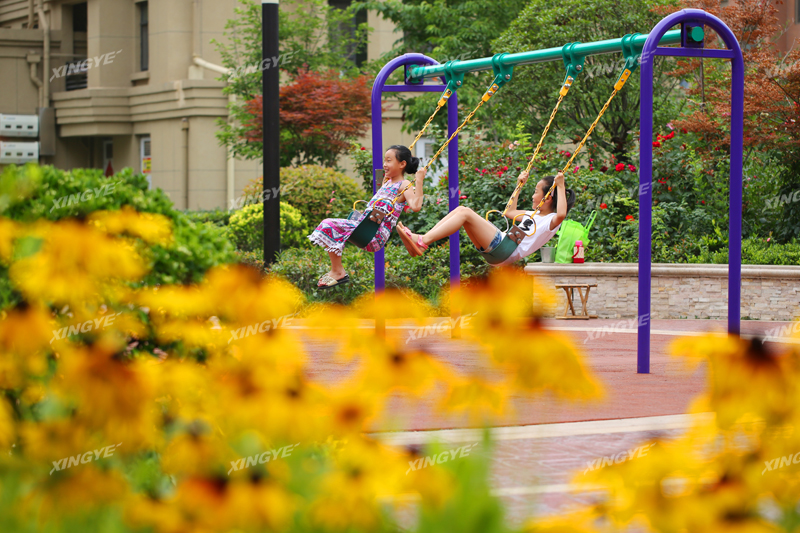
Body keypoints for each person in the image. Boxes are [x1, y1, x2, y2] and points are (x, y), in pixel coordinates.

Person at [397, 171, 575, 267]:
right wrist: (519, 186)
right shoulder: (531, 215)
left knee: (465, 213)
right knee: (461, 211)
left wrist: (560, 186)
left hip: (505, 248)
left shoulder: (551, 220)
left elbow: (561, 214)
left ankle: (423, 241)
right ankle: (422, 240)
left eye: (536, 192)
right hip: (498, 252)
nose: (533, 196)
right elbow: (509, 211)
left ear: (548, 198)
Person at [308, 145, 426, 288]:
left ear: (402, 164)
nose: (385, 164)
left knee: (328, 224)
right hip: (365, 227)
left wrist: (419, 180)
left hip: (375, 234)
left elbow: (416, 206)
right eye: (384, 160)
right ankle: (337, 271)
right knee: (329, 228)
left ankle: (338, 271)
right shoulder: (388, 182)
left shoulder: (404, 184)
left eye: (389, 160)